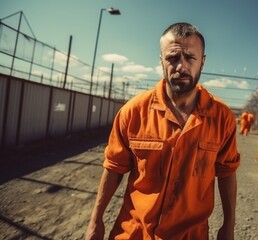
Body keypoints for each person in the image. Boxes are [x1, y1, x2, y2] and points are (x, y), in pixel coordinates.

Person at [85, 22, 240, 240]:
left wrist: (229, 225)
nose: (181, 66)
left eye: (190, 57)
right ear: (161, 61)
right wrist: (95, 221)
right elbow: (114, 167)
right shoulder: (133, 112)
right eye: (172, 58)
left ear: (202, 61)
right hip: (134, 233)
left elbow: (226, 171)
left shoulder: (221, 117)